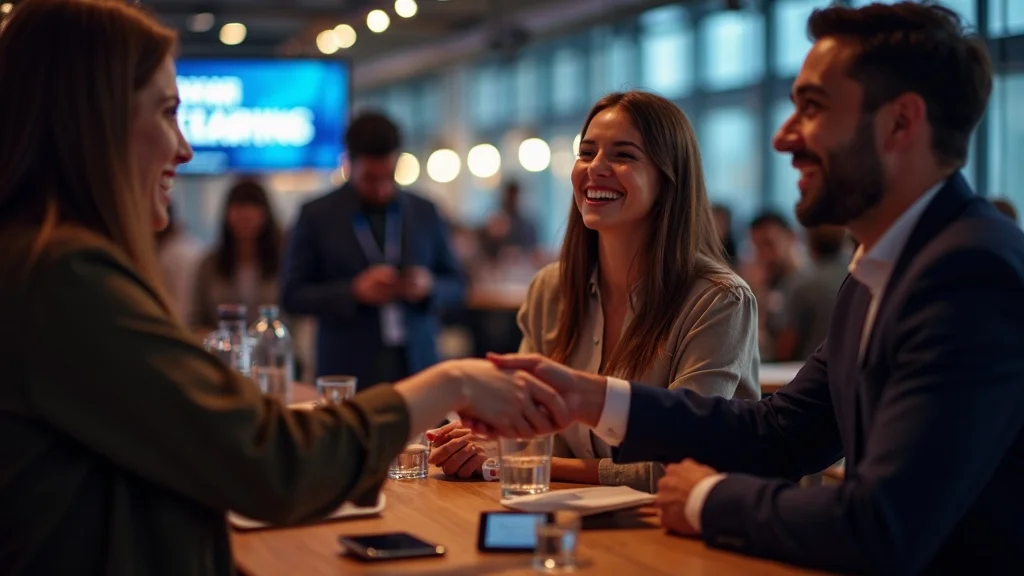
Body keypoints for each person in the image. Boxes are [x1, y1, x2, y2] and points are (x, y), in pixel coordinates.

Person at [0, 1, 568, 574]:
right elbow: (270, 461)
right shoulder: (61, 278)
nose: (184, 147)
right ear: (91, 121)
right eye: (167, 112)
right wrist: (452, 381)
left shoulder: (37, 262)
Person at [485, 3, 1024, 574]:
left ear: (900, 123)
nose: (783, 137)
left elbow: (882, 524)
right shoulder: (881, 271)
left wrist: (704, 498)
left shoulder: (970, 272)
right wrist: (591, 397)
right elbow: (780, 434)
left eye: (811, 108)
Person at [430, 91, 760, 493]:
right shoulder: (551, 289)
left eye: (623, 155)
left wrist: (532, 464)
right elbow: (527, 430)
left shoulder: (718, 300)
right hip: (566, 523)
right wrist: (485, 442)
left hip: (673, 535)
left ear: (669, 177)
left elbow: (682, 466)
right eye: (586, 153)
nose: (596, 168)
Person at [280, 111, 467, 389]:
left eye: (389, 176)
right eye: (370, 178)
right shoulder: (317, 215)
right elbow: (291, 295)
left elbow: (459, 285)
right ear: (349, 165)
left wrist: (428, 286)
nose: (382, 189)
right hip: (347, 367)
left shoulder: (424, 211)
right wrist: (354, 291)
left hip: (417, 362)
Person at [192, 179, 283, 331]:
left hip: (271, 350)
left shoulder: (283, 262)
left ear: (266, 214)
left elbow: (296, 321)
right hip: (223, 351)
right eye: (239, 207)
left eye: (253, 207)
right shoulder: (209, 264)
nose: (245, 215)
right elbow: (196, 318)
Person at [773, 225, 849, 361]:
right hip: (851, 370)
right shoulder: (858, 277)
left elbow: (786, 346)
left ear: (810, 243)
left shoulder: (801, 284)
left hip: (808, 371)